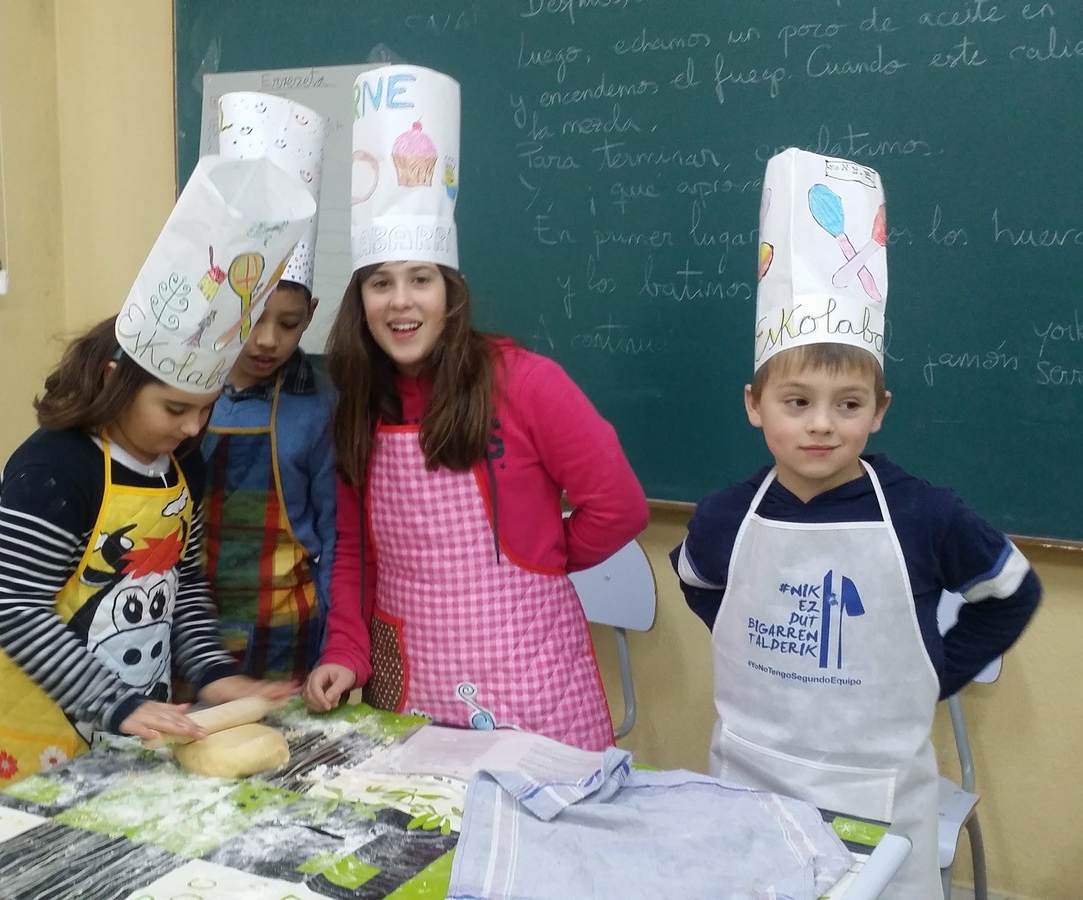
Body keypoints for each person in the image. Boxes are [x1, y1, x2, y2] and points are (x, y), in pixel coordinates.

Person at [671, 148, 1041, 900]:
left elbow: (1013, 592)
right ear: (755, 405)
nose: (821, 424)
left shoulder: (924, 514)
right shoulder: (725, 517)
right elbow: (700, 582)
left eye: (847, 404)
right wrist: (753, 643)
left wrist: (937, 672)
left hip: (878, 794)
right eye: (796, 402)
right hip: (751, 781)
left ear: (879, 409)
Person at [301, 66, 648, 751]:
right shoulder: (357, 405)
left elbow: (620, 507)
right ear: (359, 301)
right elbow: (355, 553)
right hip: (410, 685)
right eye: (380, 283)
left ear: (450, 292)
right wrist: (345, 649)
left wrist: (541, 559)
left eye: (420, 279)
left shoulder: (526, 383)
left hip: (529, 684)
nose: (401, 301)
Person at [0, 151, 318, 801]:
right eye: (174, 409)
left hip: (128, 719)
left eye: (205, 409)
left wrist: (211, 672)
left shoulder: (182, 465)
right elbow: (14, 609)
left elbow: (181, 582)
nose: (192, 427)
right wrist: (115, 702)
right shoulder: (54, 467)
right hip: (36, 726)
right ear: (113, 381)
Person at [201, 92, 336, 680]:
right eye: (252, 318)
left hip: (292, 632)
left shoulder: (318, 405)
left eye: (289, 323)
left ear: (311, 315)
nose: (267, 341)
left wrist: (336, 641)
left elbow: (334, 531)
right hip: (196, 628)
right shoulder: (188, 393)